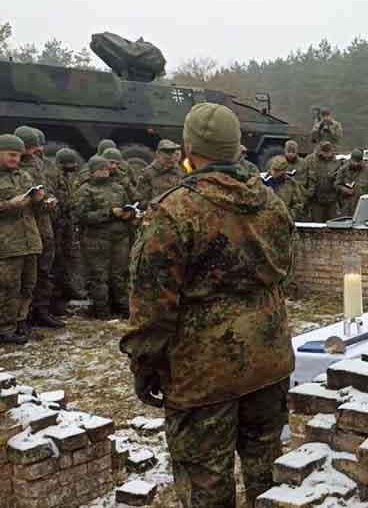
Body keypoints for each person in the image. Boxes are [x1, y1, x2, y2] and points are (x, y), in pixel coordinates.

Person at [120, 102, 295, 508]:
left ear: (189, 147)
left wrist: (144, 365)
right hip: (268, 358)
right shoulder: (270, 202)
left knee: (206, 486)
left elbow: (151, 306)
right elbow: (283, 268)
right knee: (268, 474)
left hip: (203, 373)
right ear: (237, 147)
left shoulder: (175, 209)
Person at [14, 126, 63, 330]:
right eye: (32, 148)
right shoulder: (15, 170)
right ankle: (21, 317)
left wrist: (48, 201)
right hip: (22, 227)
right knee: (23, 276)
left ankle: (41, 311)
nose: (37, 151)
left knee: (44, 271)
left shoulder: (40, 166)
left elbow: (48, 190)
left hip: (43, 224)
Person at [75, 156, 134, 319]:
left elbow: (129, 205)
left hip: (120, 238)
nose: (105, 172)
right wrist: (108, 213)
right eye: (101, 169)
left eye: (107, 169)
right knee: (99, 275)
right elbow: (81, 215)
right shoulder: (85, 190)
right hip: (96, 239)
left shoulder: (119, 188)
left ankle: (122, 306)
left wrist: (129, 213)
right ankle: (102, 310)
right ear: (93, 171)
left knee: (119, 274)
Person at [0, 134, 45, 345]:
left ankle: (20, 323)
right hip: (7, 243)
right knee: (8, 286)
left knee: (28, 285)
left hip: (29, 240)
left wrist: (39, 201)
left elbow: (35, 209)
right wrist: (9, 204)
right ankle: (4, 328)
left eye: (18, 155)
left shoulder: (24, 176)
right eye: (10, 154)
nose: (15, 159)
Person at [51, 148, 84, 314]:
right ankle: (56, 301)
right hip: (59, 226)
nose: (74, 166)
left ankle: (63, 297)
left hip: (67, 226)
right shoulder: (55, 177)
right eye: (71, 163)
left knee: (66, 259)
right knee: (58, 263)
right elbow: (59, 202)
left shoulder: (68, 177)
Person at [302, 141, 343, 222]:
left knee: (334, 224)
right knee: (317, 225)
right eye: (325, 153)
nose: (327, 155)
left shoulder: (337, 162)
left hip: (332, 200)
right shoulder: (310, 160)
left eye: (329, 153)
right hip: (316, 201)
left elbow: (340, 179)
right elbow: (304, 178)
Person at [137, 139, 184, 206]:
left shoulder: (179, 171)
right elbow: (140, 199)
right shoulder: (148, 173)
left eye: (173, 159)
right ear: (157, 155)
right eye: (166, 159)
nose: (171, 161)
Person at [334, 149, 368, 216]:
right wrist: (345, 190)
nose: (356, 164)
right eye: (354, 161)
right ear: (351, 160)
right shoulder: (343, 170)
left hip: (363, 205)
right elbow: (337, 185)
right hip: (347, 205)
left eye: (358, 162)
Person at [264, 156, 305, 220]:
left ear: (284, 171)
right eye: (273, 169)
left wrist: (289, 215)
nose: (274, 172)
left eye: (277, 170)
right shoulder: (264, 182)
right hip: (267, 220)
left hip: (285, 220)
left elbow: (298, 204)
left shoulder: (291, 184)